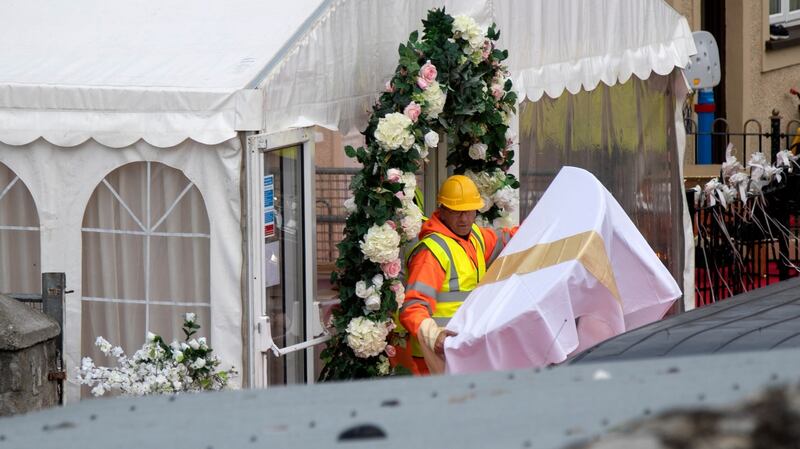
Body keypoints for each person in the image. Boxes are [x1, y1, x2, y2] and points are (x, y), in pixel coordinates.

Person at [398, 175, 516, 375]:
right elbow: (412, 308)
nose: (464, 219)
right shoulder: (432, 252)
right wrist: (434, 337)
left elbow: (510, 238)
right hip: (436, 359)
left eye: (469, 211)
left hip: (463, 352)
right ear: (442, 210)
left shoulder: (476, 236)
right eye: (456, 212)